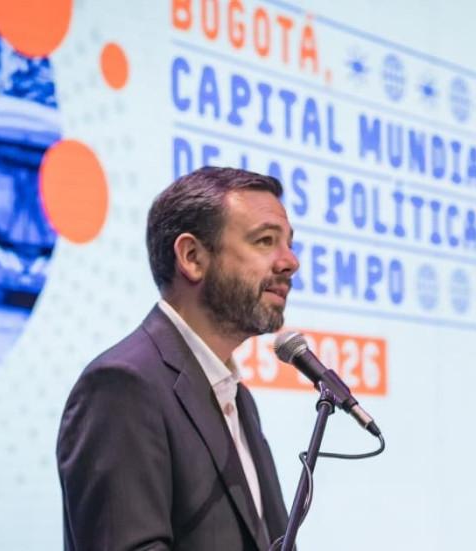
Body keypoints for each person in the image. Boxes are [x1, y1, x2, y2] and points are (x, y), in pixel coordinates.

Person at [57, 167, 300, 551]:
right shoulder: (122, 387)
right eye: (265, 241)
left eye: (289, 243)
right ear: (191, 257)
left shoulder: (238, 399)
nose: (290, 262)